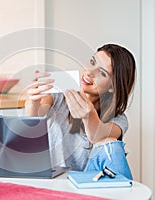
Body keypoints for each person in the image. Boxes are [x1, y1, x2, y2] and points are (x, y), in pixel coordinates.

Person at [24, 44, 136, 180]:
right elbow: (36, 115)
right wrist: (32, 102)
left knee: (112, 144)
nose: (89, 73)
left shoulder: (118, 119)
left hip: (90, 184)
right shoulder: (59, 96)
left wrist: (89, 115)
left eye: (102, 72)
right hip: (56, 181)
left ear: (112, 86)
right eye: (92, 62)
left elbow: (99, 136)